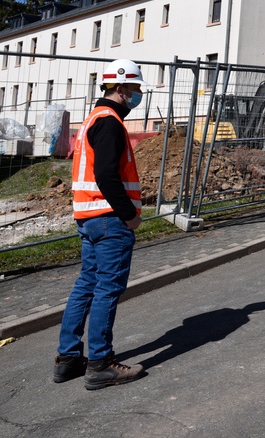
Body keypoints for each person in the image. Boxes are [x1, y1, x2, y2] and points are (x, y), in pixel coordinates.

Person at [54, 58, 150, 390]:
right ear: (122, 88)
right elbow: (106, 175)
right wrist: (130, 216)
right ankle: (100, 364)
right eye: (136, 89)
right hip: (109, 221)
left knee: (86, 286)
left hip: (88, 217)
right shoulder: (109, 123)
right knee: (107, 290)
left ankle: (68, 359)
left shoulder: (93, 119)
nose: (139, 95)